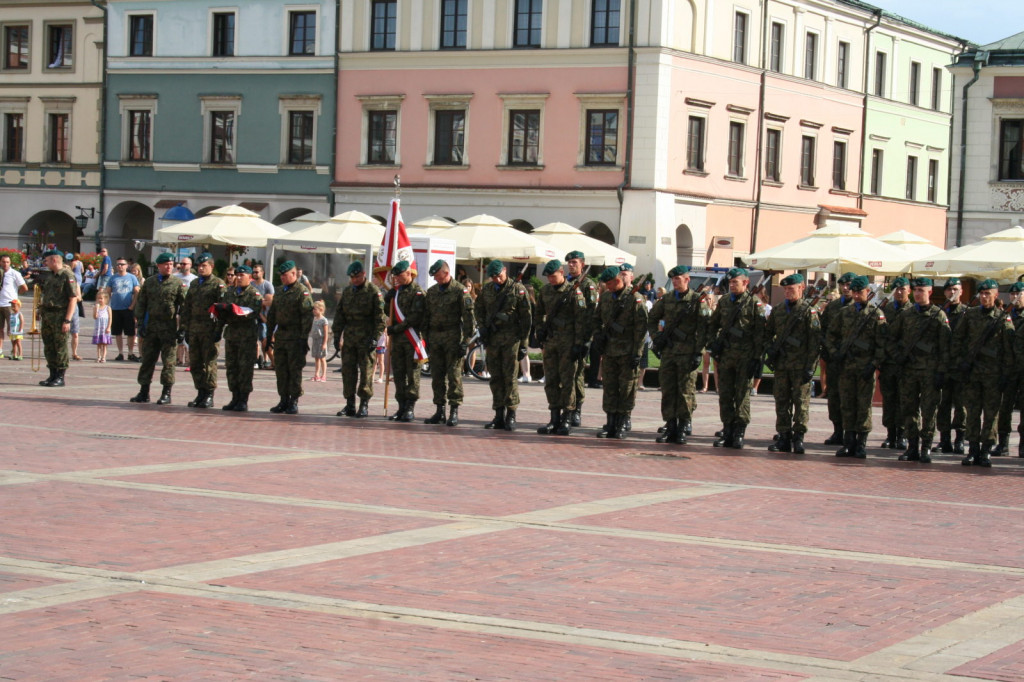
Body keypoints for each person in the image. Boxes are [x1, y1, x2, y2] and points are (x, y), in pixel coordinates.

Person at [887, 277, 950, 463]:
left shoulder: (938, 315)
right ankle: (912, 446)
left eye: (921, 290)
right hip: (908, 371)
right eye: (915, 290)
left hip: (930, 372)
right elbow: (890, 338)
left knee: (929, 410)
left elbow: (946, 346)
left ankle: (926, 447)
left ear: (929, 292)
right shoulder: (906, 315)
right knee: (909, 409)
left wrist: (941, 371)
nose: (917, 293)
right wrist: (897, 356)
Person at [825, 275, 888, 459]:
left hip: (865, 369)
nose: (857, 295)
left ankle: (861, 443)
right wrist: (834, 352)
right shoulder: (845, 313)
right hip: (846, 367)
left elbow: (882, 344)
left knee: (863, 406)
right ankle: (848, 442)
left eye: (860, 292)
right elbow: (830, 335)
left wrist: (874, 364)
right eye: (855, 292)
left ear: (868, 292)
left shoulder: (876, 314)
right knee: (847, 405)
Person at [648, 265, 711, 445]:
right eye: (673, 279)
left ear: (687, 279)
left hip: (688, 353)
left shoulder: (698, 300)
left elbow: (704, 328)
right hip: (668, 352)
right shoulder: (667, 299)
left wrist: (698, 352)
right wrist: (656, 336)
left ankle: (683, 426)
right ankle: (670, 425)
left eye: (678, 279)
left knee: (685, 391)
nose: (675, 282)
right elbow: (652, 318)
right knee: (668, 390)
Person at [955, 279, 1015, 466]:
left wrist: (1005, 375)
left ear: (996, 295)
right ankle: (973, 449)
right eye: (981, 293)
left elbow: (1008, 350)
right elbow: (958, 339)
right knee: (972, 412)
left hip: (993, 375)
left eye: (987, 293)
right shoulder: (970, 315)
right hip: (972, 373)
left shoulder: (1002, 318)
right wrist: (961, 363)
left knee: (991, 414)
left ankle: (987, 449)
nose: (983, 297)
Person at [707, 268, 767, 449]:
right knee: (725, 395)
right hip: (726, 357)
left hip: (745, 358)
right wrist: (713, 344)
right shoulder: (724, 302)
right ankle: (727, 429)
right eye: (730, 282)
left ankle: (739, 432)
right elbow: (713, 324)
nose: (732, 285)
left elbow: (761, 334)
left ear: (746, 283)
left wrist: (756, 358)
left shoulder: (754, 304)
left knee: (741, 396)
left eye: (736, 282)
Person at [764, 274, 821, 454]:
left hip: (800, 365)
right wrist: (771, 349)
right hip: (782, 365)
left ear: (802, 288)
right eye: (786, 289)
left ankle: (798, 438)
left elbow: (814, 341)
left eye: (792, 289)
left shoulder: (808, 311)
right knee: (781, 402)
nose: (788, 292)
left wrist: (810, 366)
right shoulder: (778, 310)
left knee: (801, 403)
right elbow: (767, 333)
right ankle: (783, 437)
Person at [474, 260, 533, 431]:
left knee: (510, 378)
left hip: (511, 340)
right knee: (496, 378)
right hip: (493, 340)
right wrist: (483, 327)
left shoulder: (518, 289)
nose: (497, 279)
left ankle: (511, 414)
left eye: (499, 276)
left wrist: (524, 343)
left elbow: (526, 319)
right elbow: (479, 309)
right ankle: (498, 414)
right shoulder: (487, 289)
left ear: (505, 271)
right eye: (493, 277)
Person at [592, 266, 647, 439]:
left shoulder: (635, 299)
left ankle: (622, 422)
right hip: (609, 350)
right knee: (610, 387)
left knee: (626, 388)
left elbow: (641, 329)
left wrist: (637, 353)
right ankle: (610, 422)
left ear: (618, 281)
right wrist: (598, 336)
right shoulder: (606, 297)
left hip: (627, 352)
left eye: (610, 284)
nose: (607, 287)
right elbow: (596, 318)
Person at [533, 259, 587, 436]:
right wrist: (540, 330)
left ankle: (567, 417)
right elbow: (539, 312)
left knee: (568, 381)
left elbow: (581, 320)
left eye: (553, 276)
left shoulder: (574, 292)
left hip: (568, 343)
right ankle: (554, 417)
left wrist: (579, 344)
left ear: (562, 273)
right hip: (551, 342)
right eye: (548, 276)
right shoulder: (545, 291)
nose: (550, 279)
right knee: (551, 381)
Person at [422, 259, 475, 427]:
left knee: (454, 376)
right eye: (434, 277)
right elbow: (426, 317)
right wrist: (426, 339)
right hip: (435, 338)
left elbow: (468, 318)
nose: (436, 279)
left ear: (446, 273)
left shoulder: (460, 291)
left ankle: (454, 411)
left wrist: (466, 341)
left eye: (438, 276)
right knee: (437, 376)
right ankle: (439, 411)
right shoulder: (431, 292)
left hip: (453, 338)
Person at [130, 252, 188, 405]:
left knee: (168, 362)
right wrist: (140, 323)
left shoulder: (177, 283)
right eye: (166, 264)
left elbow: (184, 307)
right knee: (147, 360)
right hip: (151, 328)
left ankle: (166, 393)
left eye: (171, 264)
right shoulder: (150, 282)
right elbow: (141, 303)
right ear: (159, 266)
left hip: (168, 329)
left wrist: (182, 328)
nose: (169, 267)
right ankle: (144, 391)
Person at [332, 260, 386, 418]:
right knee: (348, 372)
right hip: (350, 338)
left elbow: (380, 319)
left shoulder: (373, 292)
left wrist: (375, 338)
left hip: (366, 338)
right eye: (351, 277)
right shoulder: (348, 292)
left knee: (366, 373)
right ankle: (349, 404)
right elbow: (340, 315)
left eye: (356, 277)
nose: (354, 280)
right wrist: (336, 335)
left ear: (363, 274)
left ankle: (364, 404)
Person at [266, 260, 313, 415]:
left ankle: (293, 400)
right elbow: (272, 314)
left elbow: (307, 317)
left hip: (295, 336)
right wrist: (269, 334)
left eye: (285, 275)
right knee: (281, 369)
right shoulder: (279, 291)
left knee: (294, 370)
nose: (282, 278)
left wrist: (303, 338)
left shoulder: (302, 291)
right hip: (281, 336)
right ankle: (283, 399)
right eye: (281, 276)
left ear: (294, 274)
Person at [181, 253, 226, 408]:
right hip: (194, 329)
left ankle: (209, 394)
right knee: (195, 363)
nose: (201, 268)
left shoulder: (218, 284)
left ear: (211, 266)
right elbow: (187, 307)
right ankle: (200, 392)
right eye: (199, 266)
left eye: (204, 266)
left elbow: (222, 310)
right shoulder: (194, 284)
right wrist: (185, 328)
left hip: (209, 330)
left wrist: (218, 330)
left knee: (210, 363)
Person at [384, 260, 426, 422]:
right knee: (399, 374)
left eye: (399, 276)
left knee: (412, 374)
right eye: (395, 277)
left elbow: (415, 317)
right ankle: (401, 406)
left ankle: (410, 407)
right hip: (397, 341)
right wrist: (388, 300)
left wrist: (396, 329)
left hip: (411, 339)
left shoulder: (418, 292)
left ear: (409, 274)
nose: (396, 279)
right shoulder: (396, 292)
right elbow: (388, 311)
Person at [216, 264, 262, 412]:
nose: (239, 277)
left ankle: (243, 399)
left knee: (245, 368)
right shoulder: (229, 292)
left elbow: (252, 313)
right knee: (232, 367)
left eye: (243, 275)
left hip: (246, 336)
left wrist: (234, 310)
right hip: (232, 335)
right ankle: (234, 397)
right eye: (238, 275)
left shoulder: (254, 295)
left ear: (250, 277)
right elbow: (223, 313)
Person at [819, 272, 855, 445]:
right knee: (834, 396)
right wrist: (828, 350)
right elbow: (824, 329)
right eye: (843, 285)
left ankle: (851, 432)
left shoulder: (861, 306)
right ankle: (837, 430)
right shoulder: (832, 307)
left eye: (849, 285)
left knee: (851, 397)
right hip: (834, 359)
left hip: (853, 361)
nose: (846, 288)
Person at [36, 249, 80, 387]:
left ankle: (60, 376)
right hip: (48, 315)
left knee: (60, 346)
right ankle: (52, 375)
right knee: (49, 346)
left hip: (60, 315)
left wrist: (67, 320)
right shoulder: (50, 276)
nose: (45, 263)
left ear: (54, 260)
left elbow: (73, 298)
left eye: (47, 260)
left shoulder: (67, 275)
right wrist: (40, 310)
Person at [564, 251, 598, 425]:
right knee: (564, 375)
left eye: (574, 262)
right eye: (569, 262)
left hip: (580, 336)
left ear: (582, 264)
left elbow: (592, 313)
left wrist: (586, 339)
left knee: (577, 374)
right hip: (564, 336)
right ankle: (565, 408)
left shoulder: (588, 285)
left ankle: (577, 408)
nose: (571, 265)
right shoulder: (565, 283)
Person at [878, 276, 911, 449]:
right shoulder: (886, 310)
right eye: (896, 289)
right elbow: (882, 336)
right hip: (889, 363)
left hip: (906, 364)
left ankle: (902, 435)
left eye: (902, 289)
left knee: (904, 400)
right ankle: (890, 434)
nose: (899, 292)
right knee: (889, 400)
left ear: (909, 291)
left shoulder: (913, 311)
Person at [937, 278, 968, 454]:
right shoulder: (939, 312)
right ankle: (944, 439)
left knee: (961, 406)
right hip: (943, 366)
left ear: (961, 291)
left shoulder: (969, 313)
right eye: (949, 289)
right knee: (942, 405)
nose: (952, 292)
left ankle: (960, 439)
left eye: (955, 289)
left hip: (960, 367)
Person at [995, 282, 1024, 455]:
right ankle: (1003, 443)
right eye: (1012, 295)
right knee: (1004, 408)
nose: (1015, 297)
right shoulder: (1003, 316)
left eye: (1019, 294)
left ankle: (1022, 445)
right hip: (1007, 370)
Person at [105, 257, 141, 361]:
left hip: (128, 308)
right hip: (115, 308)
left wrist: (132, 305)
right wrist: (109, 304)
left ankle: (130, 353)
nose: (119, 266)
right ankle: (120, 353)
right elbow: (108, 291)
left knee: (130, 332)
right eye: (118, 265)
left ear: (126, 266)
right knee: (117, 332)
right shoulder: (113, 278)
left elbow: (137, 292)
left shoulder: (132, 277)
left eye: (122, 264)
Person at [0, 253, 28, 357]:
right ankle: (0, 350)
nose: (5, 264)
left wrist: (15, 296)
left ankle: (14, 351)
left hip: (10, 305)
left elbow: (24, 287)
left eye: (7, 262)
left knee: (12, 330)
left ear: (10, 263)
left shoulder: (14, 273)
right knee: (0, 329)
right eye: (3, 262)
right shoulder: (0, 273)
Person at [173, 256, 197, 369]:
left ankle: (189, 360)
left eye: (185, 264)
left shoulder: (195, 279)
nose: (183, 266)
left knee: (188, 335)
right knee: (178, 335)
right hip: (177, 310)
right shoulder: (175, 277)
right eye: (181, 264)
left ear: (190, 265)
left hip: (190, 310)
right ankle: (179, 359)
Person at [310, 300, 329, 382]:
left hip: (321, 340)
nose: (313, 311)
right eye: (313, 309)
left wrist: (324, 343)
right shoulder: (314, 319)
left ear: (321, 310)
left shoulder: (324, 320)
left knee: (322, 358)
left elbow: (326, 333)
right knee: (316, 358)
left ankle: (324, 375)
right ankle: (316, 374)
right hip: (315, 340)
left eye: (315, 309)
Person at [92, 290, 112, 362]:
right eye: (98, 298)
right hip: (98, 327)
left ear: (106, 299)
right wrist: (96, 309)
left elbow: (110, 318)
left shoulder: (108, 308)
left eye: (101, 298)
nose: (99, 300)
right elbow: (95, 317)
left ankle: (104, 357)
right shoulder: (96, 307)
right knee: (99, 343)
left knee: (104, 343)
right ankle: (98, 356)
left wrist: (109, 327)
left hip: (105, 327)